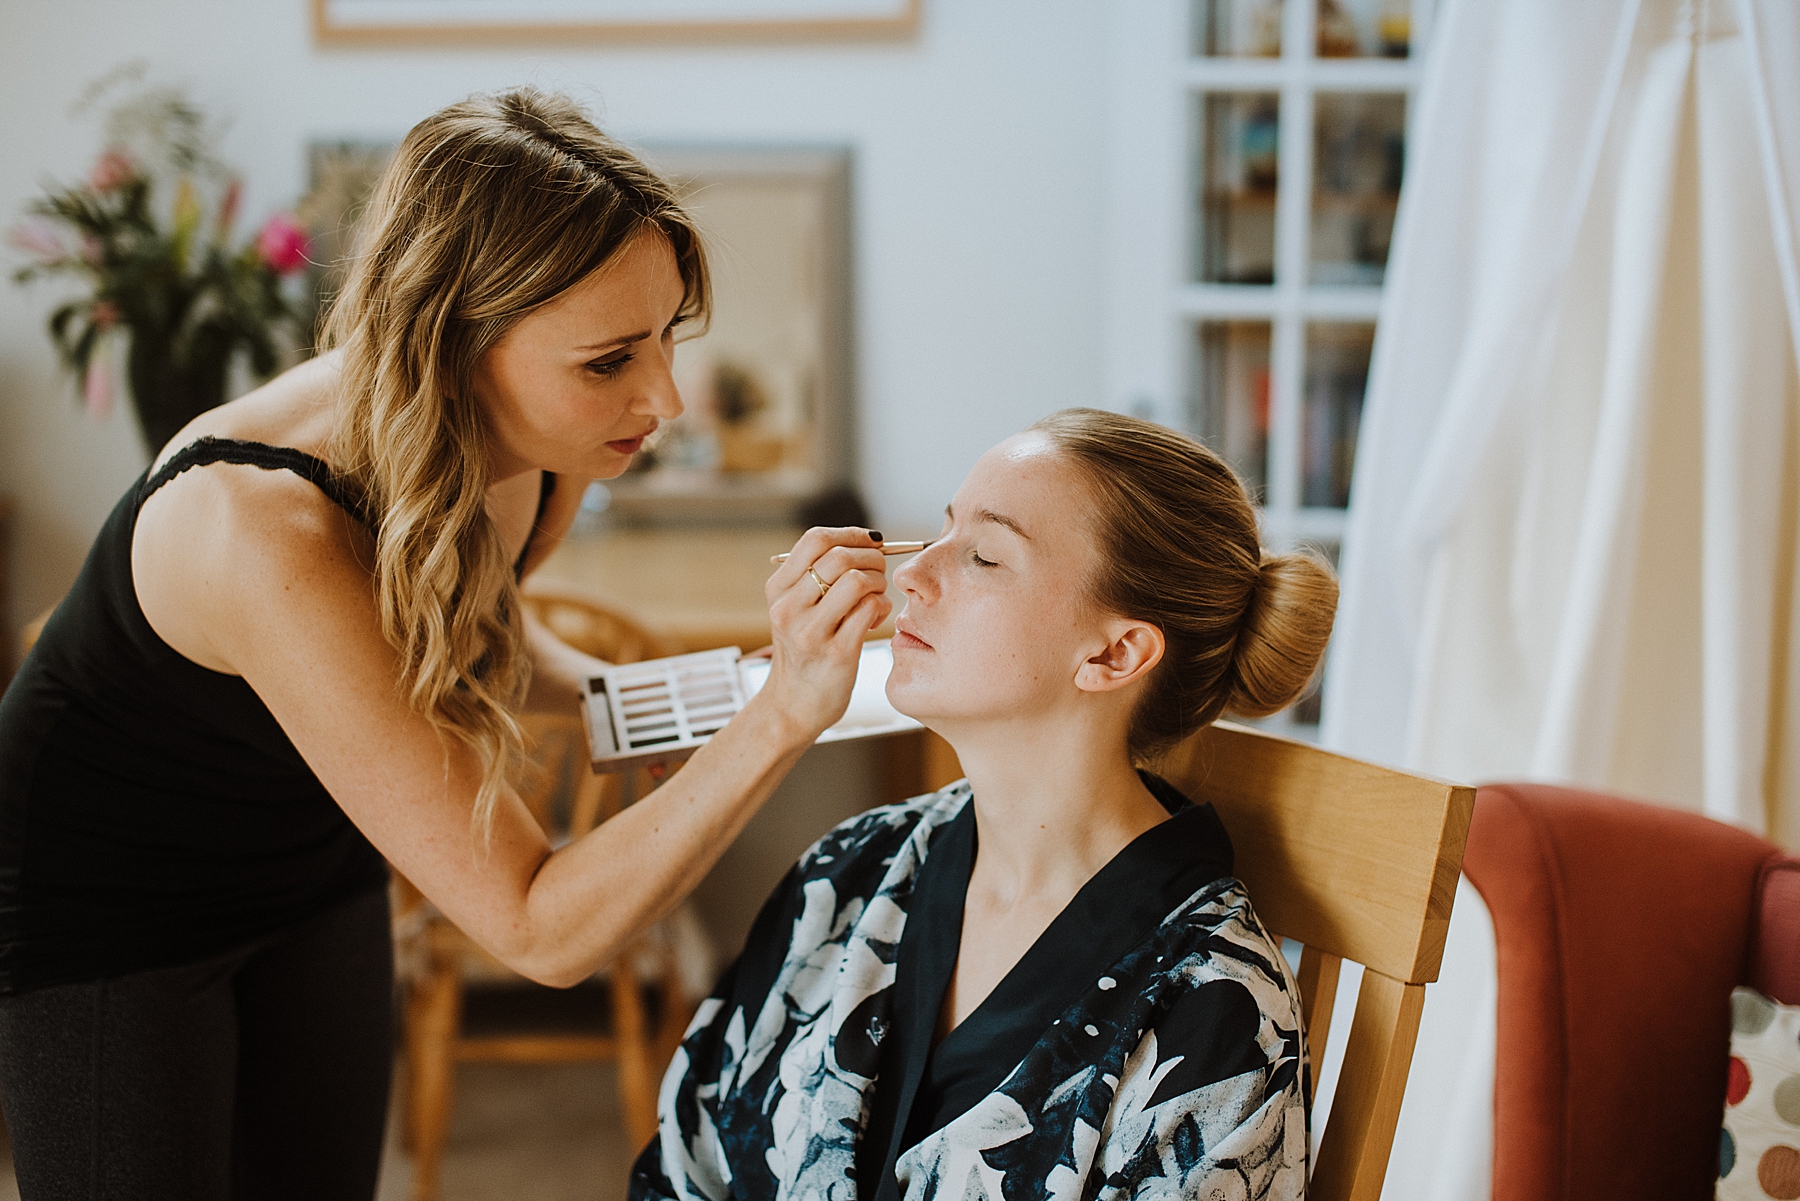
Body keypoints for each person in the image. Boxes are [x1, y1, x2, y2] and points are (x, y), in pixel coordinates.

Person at [0, 88, 893, 1200]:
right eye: (610, 359)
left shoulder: (545, 444)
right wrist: (777, 717)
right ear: (454, 343)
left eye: (668, 336)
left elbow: (483, 643)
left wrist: (660, 698)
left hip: (307, 860)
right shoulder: (257, 528)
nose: (661, 396)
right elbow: (542, 928)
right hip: (109, 903)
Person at [631, 409, 1339, 1201]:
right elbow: (680, 1167)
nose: (911, 575)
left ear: (1114, 652)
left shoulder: (1214, 1010)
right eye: (941, 531)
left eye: (984, 555)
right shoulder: (852, 868)